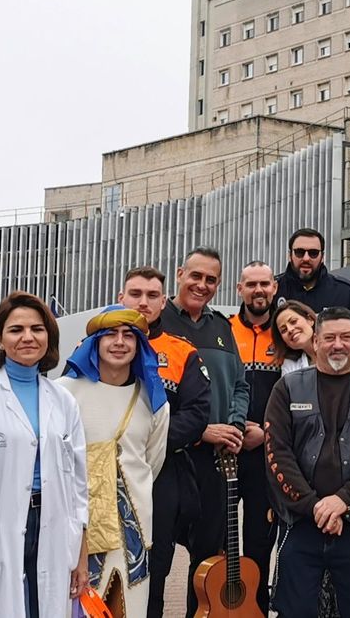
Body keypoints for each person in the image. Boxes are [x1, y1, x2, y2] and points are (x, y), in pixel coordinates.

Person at [0, 291, 88, 618]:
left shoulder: (63, 401)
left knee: (44, 608)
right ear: (0, 339)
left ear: (49, 337)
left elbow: (79, 485)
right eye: (16, 330)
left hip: (52, 526)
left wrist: (80, 552)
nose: (27, 337)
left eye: (37, 329)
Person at [264, 308, 350, 618]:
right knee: (294, 610)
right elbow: (276, 455)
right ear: (316, 340)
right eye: (330, 338)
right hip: (300, 525)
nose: (338, 345)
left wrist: (343, 500)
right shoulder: (287, 388)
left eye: (346, 338)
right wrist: (315, 507)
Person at [148, 247, 250, 617]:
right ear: (179, 274)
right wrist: (199, 430)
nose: (202, 285)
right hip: (166, 460)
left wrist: (235, 425)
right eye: (196, 276)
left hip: (215, 463)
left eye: (211, 279)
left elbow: (241, 384)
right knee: (156, 559)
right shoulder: (157, 324)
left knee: (207, 563)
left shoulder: (222, 326)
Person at [57, 306, 171, 618]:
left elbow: (151, 461)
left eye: (128, 336)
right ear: (95, 342)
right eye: (110, 334)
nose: (119, 342)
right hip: (76, 529)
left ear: (139, 346)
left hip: (132, 530)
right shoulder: (64, 393)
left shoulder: (154, 403)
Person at [119, 266, 212, 618]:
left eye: (152, 296)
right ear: (121, 298)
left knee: (154, 573)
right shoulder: (94, 347)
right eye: (136, 294)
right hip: (106, 475)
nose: (143, 302)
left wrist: (147, 445)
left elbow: (196, 413)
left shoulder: (181, 352)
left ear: (163, 302)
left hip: (163, 473)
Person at [231, 261, 283, 613]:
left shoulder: (284, 333)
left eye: (265, 283)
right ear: (240, 289)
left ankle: (257, 610)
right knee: (214, 543)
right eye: (251, 285)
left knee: (258, 547)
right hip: (225, 451)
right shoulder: (223, 330)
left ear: (274, 288)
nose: (259, 290)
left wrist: (266, 434)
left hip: (267, 454)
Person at [273, 298, 350, 376]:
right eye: (283, 330)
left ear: (310, 320)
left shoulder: (346, 346)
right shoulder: (290, 364)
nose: (290, 329)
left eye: (293, 321)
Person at [278, 227, 350, 314]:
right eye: (299, 252)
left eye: (313, 253)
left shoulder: (345, 293)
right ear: (290, 255)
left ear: (322, 257)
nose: (306, 258)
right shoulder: (274, 290)